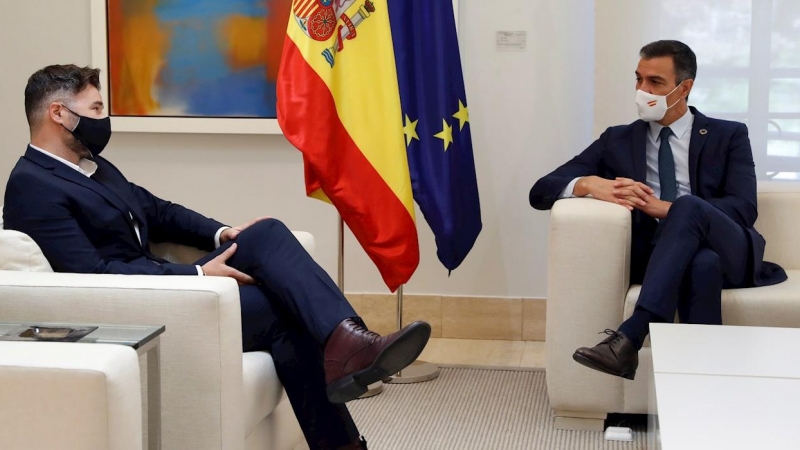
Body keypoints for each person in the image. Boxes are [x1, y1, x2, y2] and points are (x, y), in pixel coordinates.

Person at [3, 64, 432, 450]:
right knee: (284, 312)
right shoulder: (33, 185)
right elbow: (92, 275)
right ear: (59, 114)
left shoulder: (91, 165)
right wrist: (195, 272)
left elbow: (158, 210)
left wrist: (222, 231)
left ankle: (348, 342)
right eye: (95, 108)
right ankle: (346, 385)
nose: (103, 118)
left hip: (164, 286)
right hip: (139, 309)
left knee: (265, 234)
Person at [529, 40, 787, 381]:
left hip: (731, 252)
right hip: (661, 256)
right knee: (700, 264)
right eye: (638, 79)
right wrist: (589, 184)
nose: (642, 90)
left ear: (685, 88)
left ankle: (632, 333)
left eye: (655, 83)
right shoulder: (617, 140)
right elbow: (540, 191)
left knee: (689, 209)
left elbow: (744, 208)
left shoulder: (729, 135)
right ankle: (708, 389)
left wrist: (668, 209)